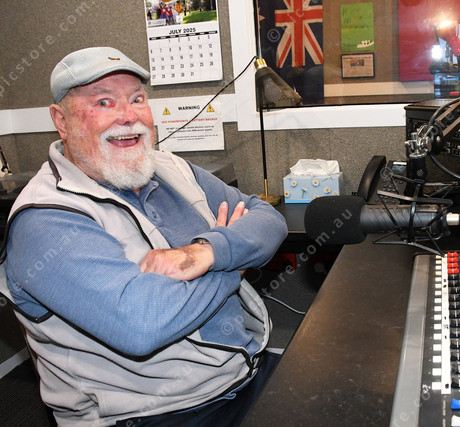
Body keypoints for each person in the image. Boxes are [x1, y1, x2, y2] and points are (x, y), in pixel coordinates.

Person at [0, 47, 288, 426]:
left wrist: (206, 252)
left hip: (241, 368)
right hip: (151, 413)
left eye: (137, 99)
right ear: (61, 120)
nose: (128, 116)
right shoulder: (45, 219)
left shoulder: (171, 168)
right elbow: (142, 325)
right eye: (104, 102)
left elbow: (269, 220)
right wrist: (234, 262)